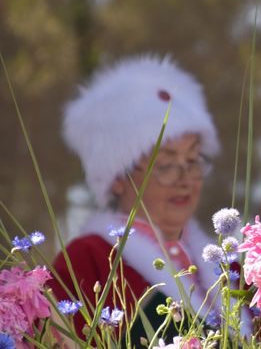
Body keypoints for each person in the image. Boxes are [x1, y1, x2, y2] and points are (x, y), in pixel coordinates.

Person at [49, 55, 245, 341]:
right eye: (165, 165)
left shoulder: (229, 266)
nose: (185, 178)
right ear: (118, 178)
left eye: (193, 160)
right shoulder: (88, 260)